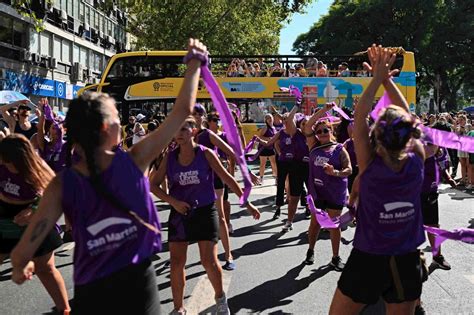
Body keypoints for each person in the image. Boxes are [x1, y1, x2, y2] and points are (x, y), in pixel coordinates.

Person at [10, 38, 208, 314]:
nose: (121, 123)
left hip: (92, 295)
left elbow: (23, 250)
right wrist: (195, 62)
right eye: (117, 116)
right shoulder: (136, 159)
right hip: (139, 290)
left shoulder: (62, 184)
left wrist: (21, 267)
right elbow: (182, 111)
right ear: (106, 127)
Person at [329, 45, 426, 314]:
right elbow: (406, 114)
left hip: (368, 258)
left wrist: (377, 78)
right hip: (406, 259)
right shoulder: (417, 159)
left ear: (376, 137)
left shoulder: (369, 164)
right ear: (409, 134)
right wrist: (386, 79)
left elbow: (358, 116)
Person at [149, 116, 260, 315]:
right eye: (176, 130)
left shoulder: (206, 154)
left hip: (205, 211)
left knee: (208, 260)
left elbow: (227, 177)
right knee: (176, 262)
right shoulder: (170, 157)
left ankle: (220, 299)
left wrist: (247, 202)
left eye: (184, 129)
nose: (179, 134)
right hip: (180, 213)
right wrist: (173, 202)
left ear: (193, 131)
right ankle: (178, 308)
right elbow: (153, 185)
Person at [0, 134, 70, 314]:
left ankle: (64, 310)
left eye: (9, 162)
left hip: (36, 216)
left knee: (45, 268)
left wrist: (34, 209)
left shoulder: (37, 168)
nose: (6, 165)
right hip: (5, 216)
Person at [192, 104, 237, 270]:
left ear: (203, 117)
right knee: (200, 218)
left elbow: (230, 151)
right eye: (192, 113)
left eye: (198, 114)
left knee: (221, 216)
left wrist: (247, 173)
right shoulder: (186, 135)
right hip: (197, 181)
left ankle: (228, 255)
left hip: (215, 178)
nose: (195, 116)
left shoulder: (208, 134)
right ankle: (208, 255)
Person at [303, 119, 352, 270]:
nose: (322, 133)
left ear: (331, 131)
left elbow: (349, 169)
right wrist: (324, 109)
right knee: (315, 223)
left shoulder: (339, 149)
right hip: (318, 192)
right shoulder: (314, 146)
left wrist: (335, 172)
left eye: (326, 130)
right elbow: (307, 125)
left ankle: (335, 258)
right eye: (319, 131)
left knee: (334, 225)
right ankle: (310, 251)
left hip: (335, 193)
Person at [257, 106, 308, 231]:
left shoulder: (300, 132)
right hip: (284, 163)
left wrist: (296, 105)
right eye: (283, 119)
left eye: (287, 119)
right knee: (281, 185)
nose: (285, 121)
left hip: (299, 164)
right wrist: (257, 140)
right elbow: (270, 144)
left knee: (303, 187)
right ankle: (279, 208)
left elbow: (288, 118)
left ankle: (307, 206)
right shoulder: (282, 132)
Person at [257, 114, 278, 182]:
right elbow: (260, 137)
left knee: (274, 163)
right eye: (268, 118)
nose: (270, 119)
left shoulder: (274, 128)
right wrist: (269, 138)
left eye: (271, 118)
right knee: (263, 164)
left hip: (271, 148)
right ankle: (261, 178)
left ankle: (276, 178)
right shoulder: (265, 127)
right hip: (264, 148)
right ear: (265, 120)